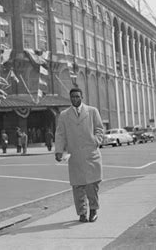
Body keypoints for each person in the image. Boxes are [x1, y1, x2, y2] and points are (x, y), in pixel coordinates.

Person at [55, 87, 104, 223]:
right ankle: (82, 212)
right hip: (75, 155)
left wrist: (96, 141)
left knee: (91, 185)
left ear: (82, 97)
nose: (75, 99)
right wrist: (59, 150)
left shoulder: (92, 111)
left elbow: (99, 129)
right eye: (72, 97)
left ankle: (93, 210)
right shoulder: (64, 115)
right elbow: (60, 134)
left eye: (77, 96)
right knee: (78, 186)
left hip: (91, 154)